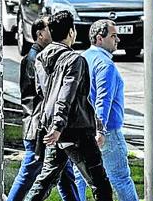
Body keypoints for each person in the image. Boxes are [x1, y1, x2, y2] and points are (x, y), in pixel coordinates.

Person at [25, 10, 113, 201]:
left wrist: (56, 127)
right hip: (76, 129)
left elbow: (43, 92)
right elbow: (67, 94)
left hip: (53, 129)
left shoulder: (40, 58)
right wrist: (59, 125)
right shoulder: (76, 60)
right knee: (101, 185)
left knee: (44, 182)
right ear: (72, 32)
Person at [7, 16, 80, 201]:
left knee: (65, 175)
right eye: (50, 29)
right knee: (30, 171)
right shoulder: (36, 59)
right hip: (39, 126)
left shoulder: (42, 56)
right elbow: (43, 95)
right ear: (40, 34)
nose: (54, 32)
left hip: (45, 125)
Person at [74, 20, 139, 201]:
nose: (117, 39)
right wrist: (100, 130)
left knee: (80, 177)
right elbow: (103, 100)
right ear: (99, 39)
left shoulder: (82, 59)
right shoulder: (105, 65)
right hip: (107, 131)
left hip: (82, 128)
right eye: (113, 36)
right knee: (120, 178)